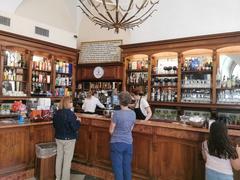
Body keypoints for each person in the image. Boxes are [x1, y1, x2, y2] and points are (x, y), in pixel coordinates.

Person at [109, 91, 136, 180]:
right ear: (128, 101)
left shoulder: (116, 114)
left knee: (118, 169)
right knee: (127, 167)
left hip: (117, 143)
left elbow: (111, 130)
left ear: (119, 101)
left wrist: (117, 134)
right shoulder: (133, 113)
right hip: (128, 143)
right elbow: (130, 129)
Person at [53, 96, 81, 180]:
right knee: (67, 161)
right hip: (69, 139)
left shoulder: (57, 113)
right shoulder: (71, 114)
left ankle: (58, 178)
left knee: (59, 159)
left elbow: (54, 125)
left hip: (58, 138)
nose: (72, 103)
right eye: (71, 102)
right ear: (68, 103)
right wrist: (78, 121)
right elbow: (75, 127)